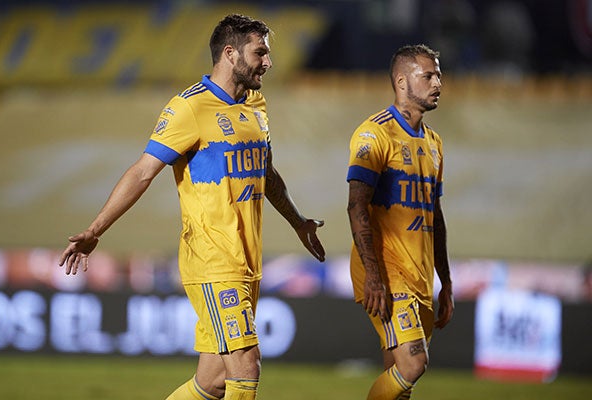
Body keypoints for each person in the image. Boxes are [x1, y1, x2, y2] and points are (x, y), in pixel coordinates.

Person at [59, 14, 325, 400]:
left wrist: (298, 222)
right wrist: (96, 229)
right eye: (260, 52)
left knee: (213, 382)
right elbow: (142, 172)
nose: (268, 61)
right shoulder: (189, 108)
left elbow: (265, 172)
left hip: (247, 261)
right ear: (230, 53)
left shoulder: (256, 105)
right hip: (212, 260)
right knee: (246, 369)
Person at [346, 44, 454, 400]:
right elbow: (356, 207)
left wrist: (446, 282)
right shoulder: (374, 134)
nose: (438, 82)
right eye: (429, 75)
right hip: (387, 273)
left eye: (438, 74)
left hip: (419, 276)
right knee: (413, 364)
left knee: (399, 382)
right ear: (402, 81)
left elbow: (434, 217)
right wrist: (373, 276)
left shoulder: (435, 144)